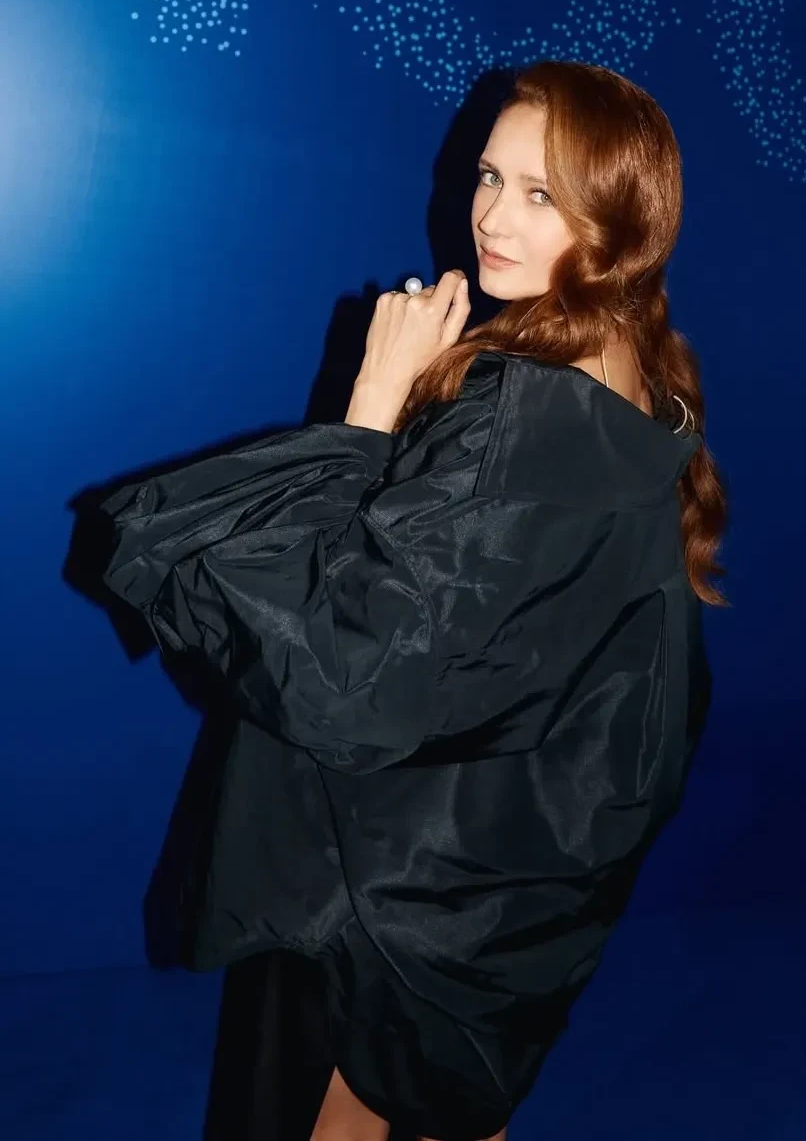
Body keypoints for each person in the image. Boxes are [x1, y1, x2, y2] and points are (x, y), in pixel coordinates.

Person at [89, 61, 727, 1141]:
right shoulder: (637, 371)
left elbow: (343, 675)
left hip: (395, 882)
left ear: (618, 220)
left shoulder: (523, 415)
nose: (492, 217)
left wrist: (372, 403)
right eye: (490, 176)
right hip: (513, 866)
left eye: (542, 193)